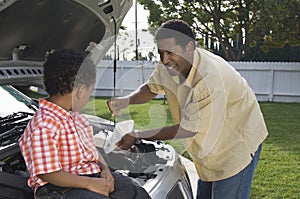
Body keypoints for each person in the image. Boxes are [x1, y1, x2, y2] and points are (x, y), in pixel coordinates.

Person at [107, 19, 268, 199]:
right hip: (209, 150)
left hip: (235, 145)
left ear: (189, 47)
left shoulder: (208, 80)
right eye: (160, 53)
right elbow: (151, 88)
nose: (164, 59)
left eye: (169, 52)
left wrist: (137, 135)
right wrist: (125, 101)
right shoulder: (170, 63)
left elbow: (187, 129)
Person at [18, 49, 151, 199]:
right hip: (58, 189)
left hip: (90, 175)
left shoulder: (76, 117)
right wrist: (88, 183)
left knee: (134, 189)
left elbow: (91, 150)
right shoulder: (43, 125)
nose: (89, 96)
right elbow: (48, 173)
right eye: (90, 91)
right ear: (81, 91)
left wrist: (105, 169)